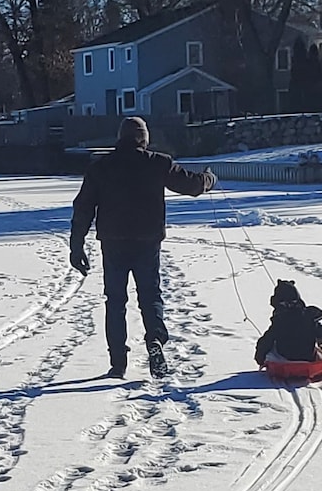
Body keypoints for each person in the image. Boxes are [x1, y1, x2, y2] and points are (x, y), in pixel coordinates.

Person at [70, 117, 215, 378]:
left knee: (115, 301)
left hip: (113, 242)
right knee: (150, 296)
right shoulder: (158, 163)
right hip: (147, 241)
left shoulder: (101, 167)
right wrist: (208, 179)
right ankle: (155, 340)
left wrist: (76, 245)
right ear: (144, 139)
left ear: (120, 137)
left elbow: (83, 207)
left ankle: (117, 362)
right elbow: (191, 185)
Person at [254, 280, 322, 368]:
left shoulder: (279, 321)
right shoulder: (307, 317)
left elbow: (265, 341)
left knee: (272, 346)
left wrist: (260, 359)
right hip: (309, 358)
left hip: (285, 358)